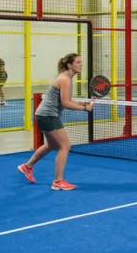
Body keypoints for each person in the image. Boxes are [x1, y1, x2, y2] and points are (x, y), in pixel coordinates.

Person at [17, 53, 93, 191]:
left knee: (51, 144)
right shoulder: (65, 79)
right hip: (48, 116)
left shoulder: (66, 78)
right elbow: (66, 103)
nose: (81, 64)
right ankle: (58, 182)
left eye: (81, 62)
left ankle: (27, 167)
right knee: (65, 146)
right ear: (70, 65)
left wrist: (82, 103)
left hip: (43, 115)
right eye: (78, 62)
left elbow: (67, 100)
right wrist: (84, 108)